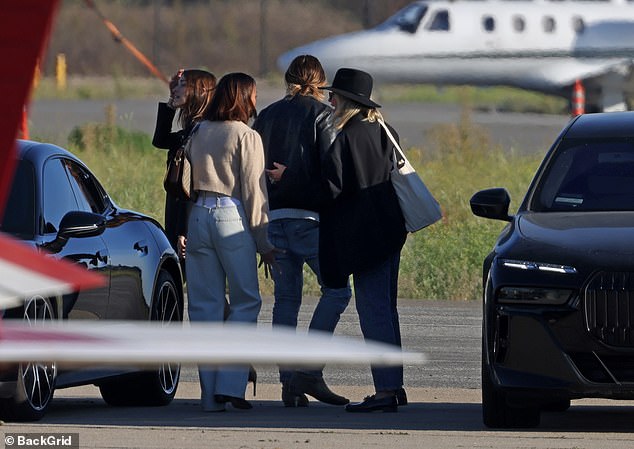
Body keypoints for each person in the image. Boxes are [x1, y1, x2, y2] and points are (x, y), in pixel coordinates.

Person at [252, 55, 352, 407]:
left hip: (274, 218)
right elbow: (331, 173)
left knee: (286, 301)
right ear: (320, 80)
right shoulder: (323, 115)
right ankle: (308, 370)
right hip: (311, 221)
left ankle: (289, 380)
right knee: (337, 292)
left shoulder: (265, 115)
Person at [181, 72, 277, 412]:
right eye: (252, 94)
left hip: (198, 215)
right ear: (243, 97)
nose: (255, 99)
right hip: (230, 216)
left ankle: (209, 397)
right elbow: (254, 191)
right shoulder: (246, 135)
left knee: (204, 308)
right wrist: (264, 241)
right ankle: (232, 386)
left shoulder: (199, 130)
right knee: (245, 302)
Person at [319, 68, 408, 413]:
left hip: (364, 238)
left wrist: (292, 178)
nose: (330, 100)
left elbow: (332, 188)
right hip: (390, 232)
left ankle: (385, 391)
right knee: (387, 310)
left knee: (373, 313)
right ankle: (394, 386)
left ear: (348, 103)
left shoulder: (347, 137)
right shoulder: (386, 131)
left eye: (335, 96)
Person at [152, 68, 216, 252]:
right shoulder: (190, 131)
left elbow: (193, 185)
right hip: (177, 212)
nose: (175, 90)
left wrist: (184, 229)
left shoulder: (202, 132)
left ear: (201, 91)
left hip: (188, 219)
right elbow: (161, 140)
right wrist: (169, 107)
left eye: (182, 85)